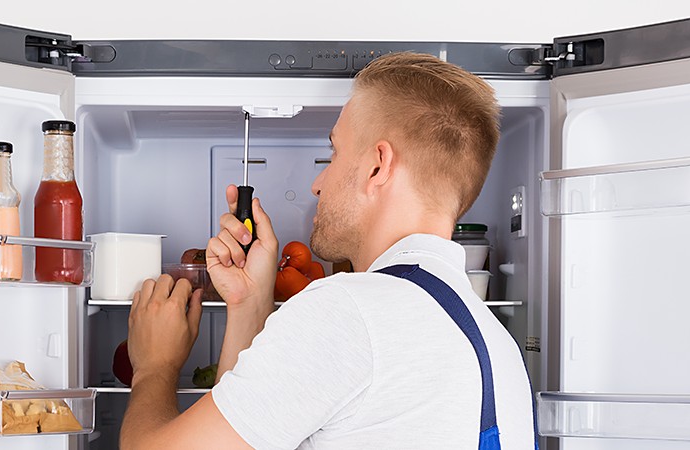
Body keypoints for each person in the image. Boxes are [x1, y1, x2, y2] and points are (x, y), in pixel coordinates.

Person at [120, 52, 534, 449]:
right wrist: (249, 303)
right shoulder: (497, 345)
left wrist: (153, 368)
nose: (317, 184)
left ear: (378, 166)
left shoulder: (349, 311)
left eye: (334, 152)